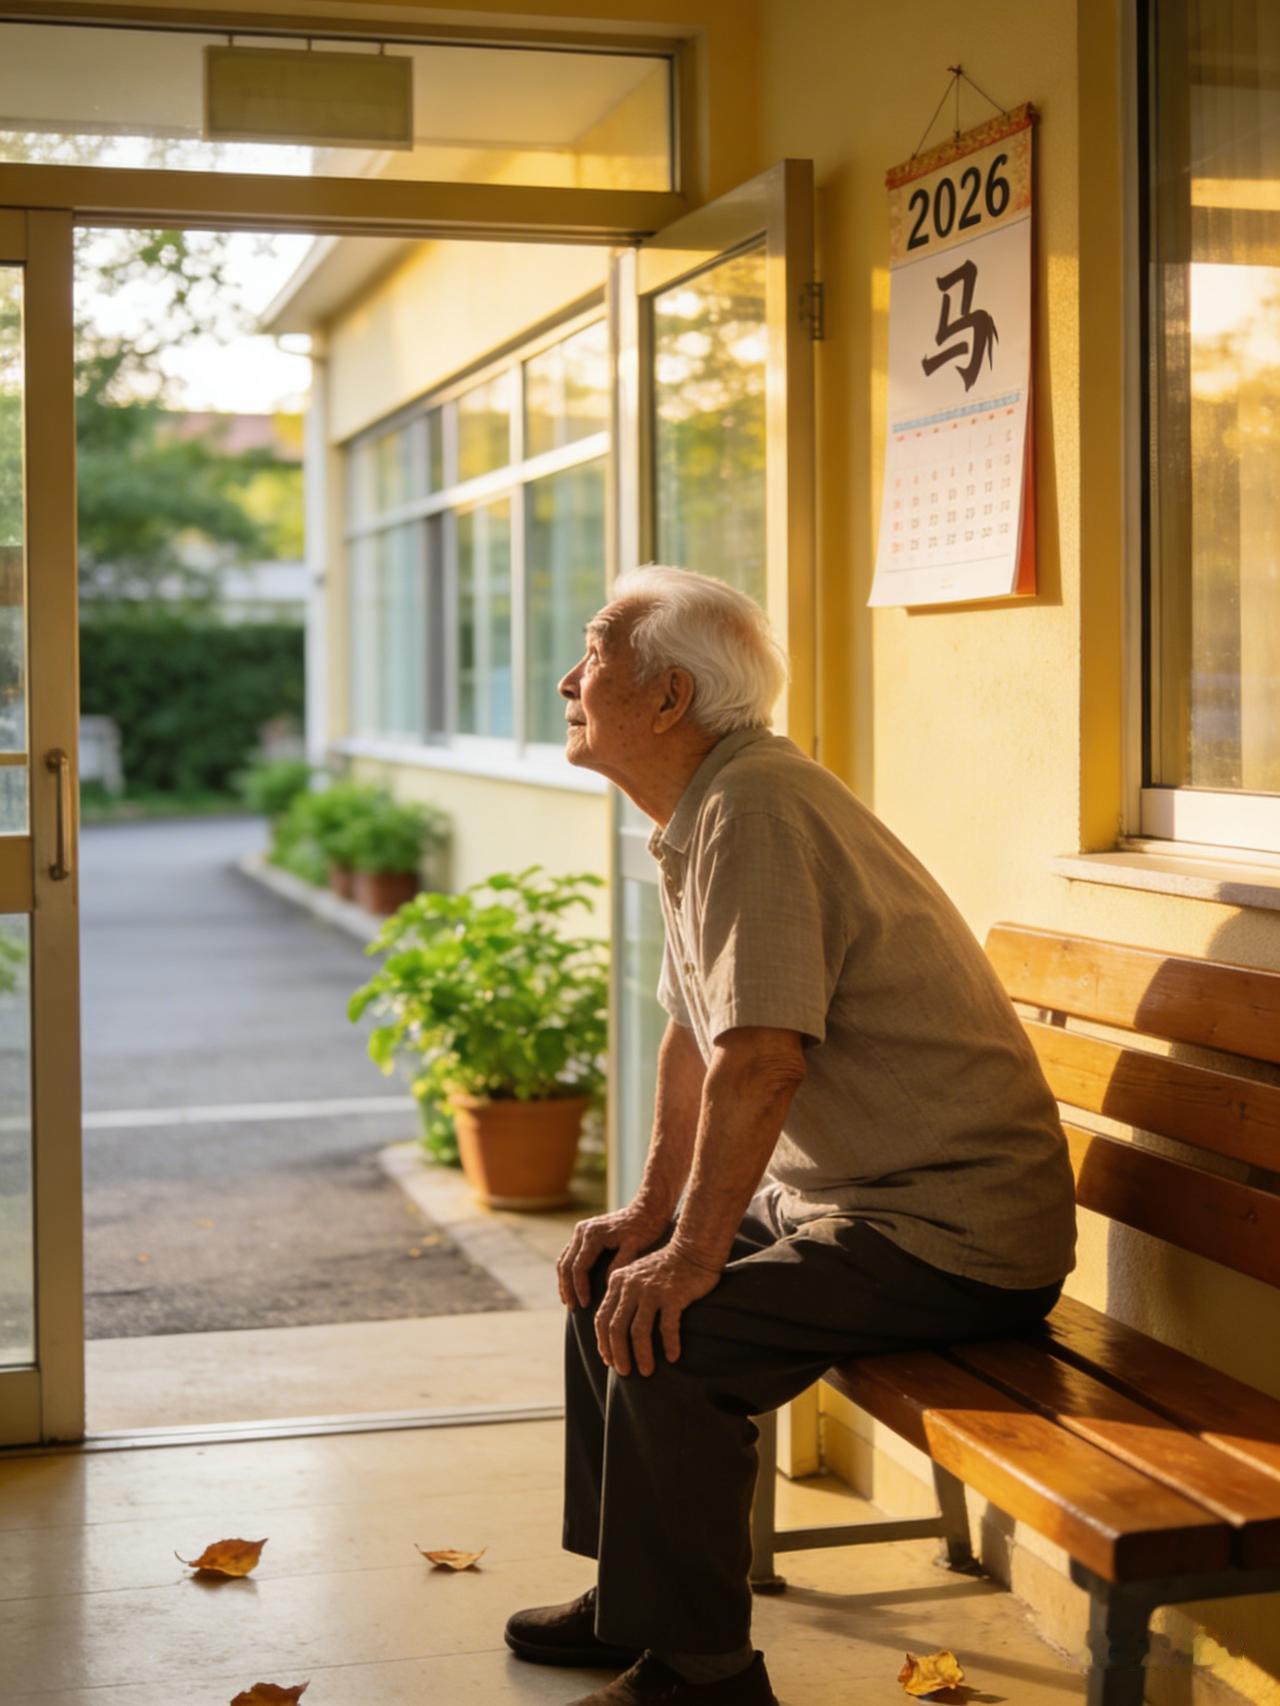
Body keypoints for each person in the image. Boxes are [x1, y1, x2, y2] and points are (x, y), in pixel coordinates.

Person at [504, 565, 1077, 1706]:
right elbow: (692, 1040)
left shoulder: (752, 808)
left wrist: (697, 1251)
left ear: (667, 699)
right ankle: (635, 1596)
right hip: (857, 1197)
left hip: (950, 1225)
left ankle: (702, 1669)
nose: (568, 680)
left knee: (678, 1329)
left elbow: (762, 1059)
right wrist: (651, 1216)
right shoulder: (703, 804)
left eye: (594, 656)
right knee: (615, 1270)